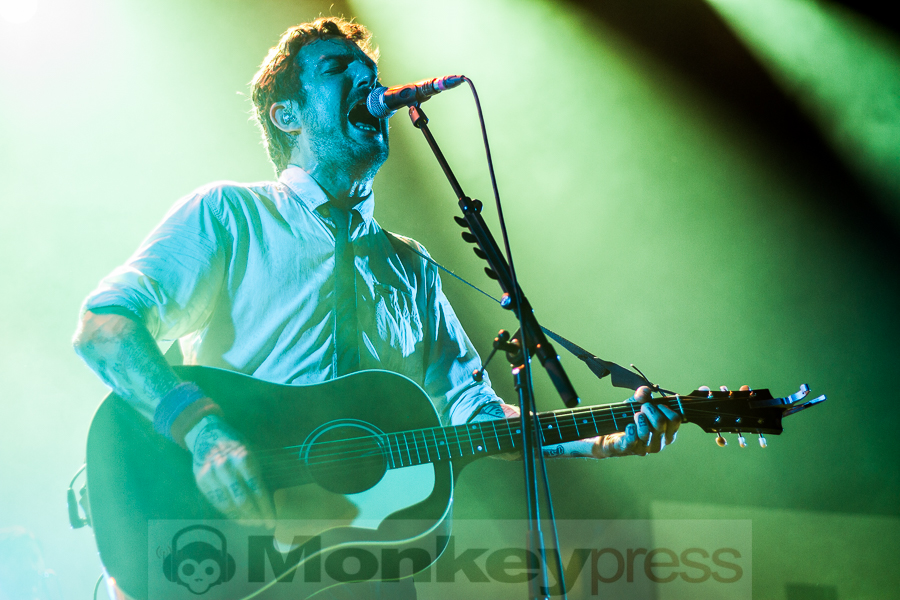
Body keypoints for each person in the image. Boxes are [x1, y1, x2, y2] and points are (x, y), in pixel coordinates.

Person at [72, 17, 681, 599]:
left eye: (370, 68)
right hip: (230, 549)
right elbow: (104, 328)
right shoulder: (230, 216)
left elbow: (468, 410)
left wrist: (601, 438)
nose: (368, 82)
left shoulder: (410, 266)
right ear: (288, 115)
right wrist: (202, 431)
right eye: (339, 69)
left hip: (360, 563)